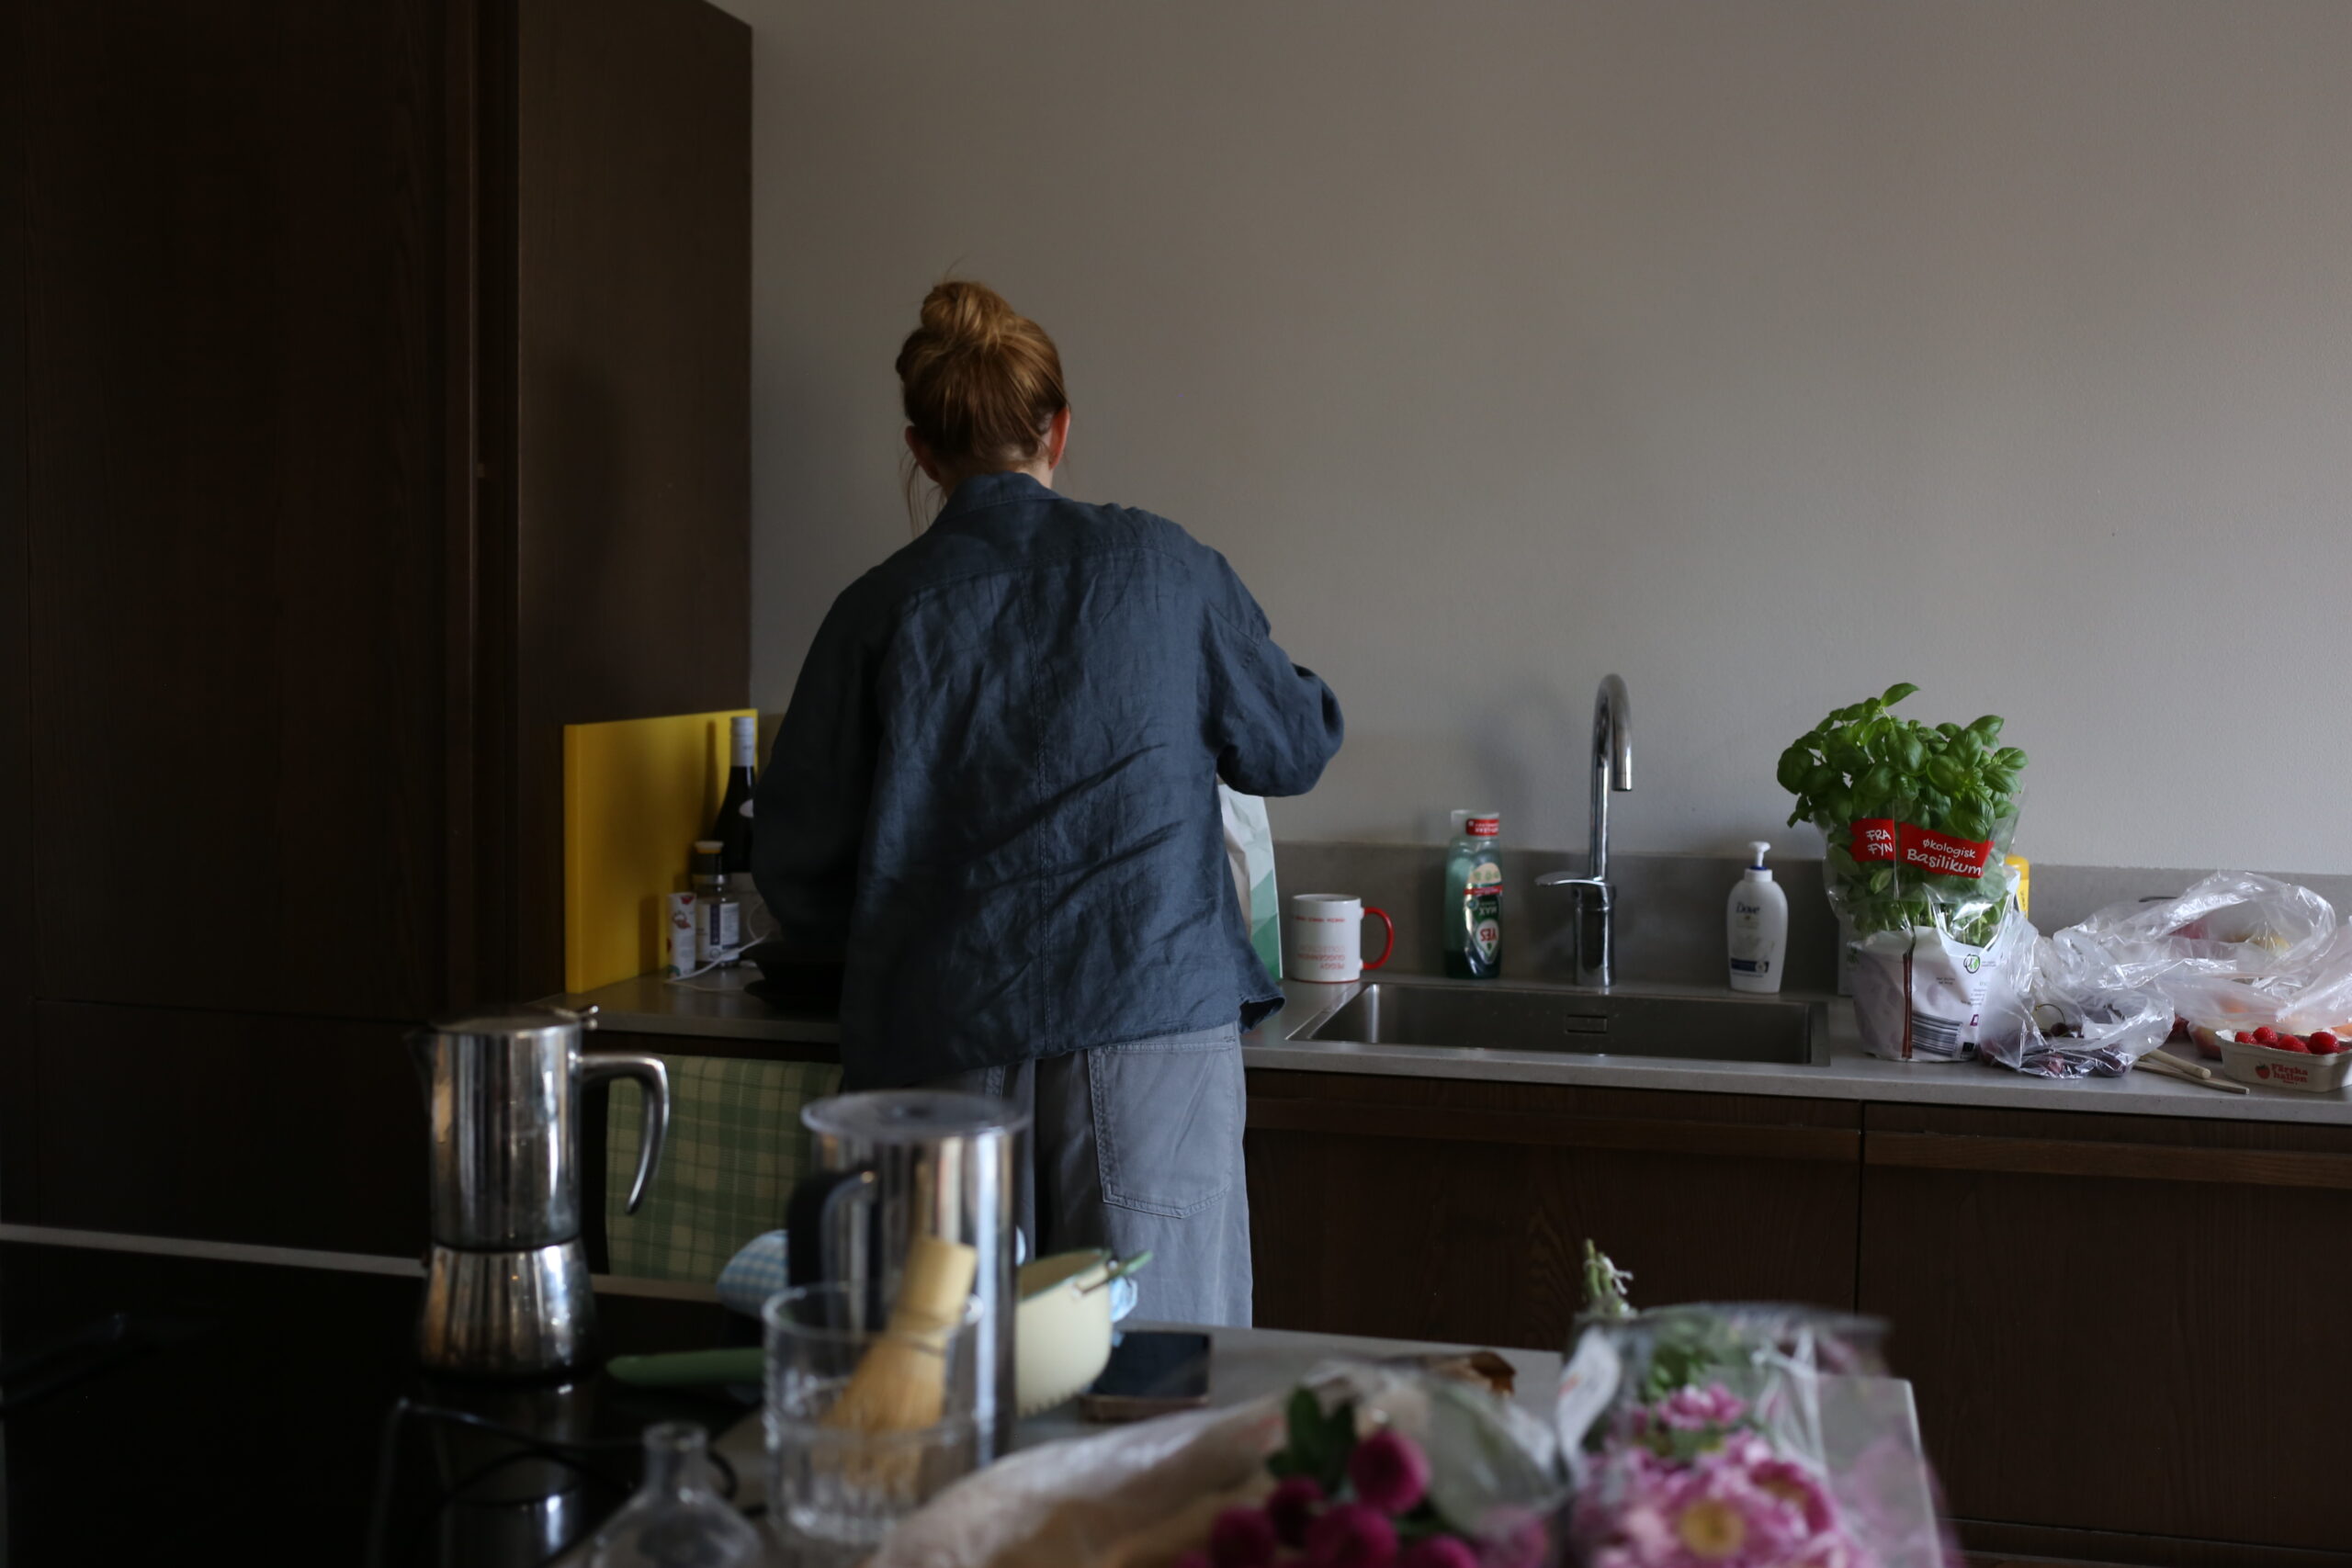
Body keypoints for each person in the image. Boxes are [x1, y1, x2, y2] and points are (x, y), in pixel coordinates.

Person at [752, 281, 1342, 1325]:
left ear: (923, 453)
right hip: (1151, 1021)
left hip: (938, 1046)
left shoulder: (876, 611)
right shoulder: (1167, 567)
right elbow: (1290, 747)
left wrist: (916, 926)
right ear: (1058, 429)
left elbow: (796, 866)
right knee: (1160, 1388)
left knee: (950, 1388)